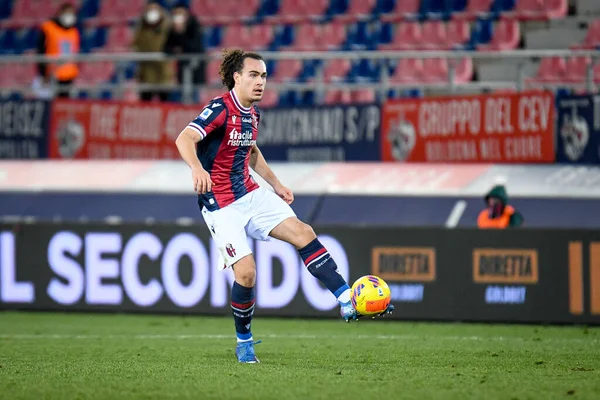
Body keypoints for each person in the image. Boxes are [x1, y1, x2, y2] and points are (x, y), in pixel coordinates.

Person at [175, 49, 394, 364]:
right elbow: (184, 138)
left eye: (264, 76)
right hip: (220, 203)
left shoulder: (253, 113)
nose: (260, 82)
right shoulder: (219, 109)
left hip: (250, 192)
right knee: (247, 274)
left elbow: (251, 153)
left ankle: (347, 299)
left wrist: (275, 184)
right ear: (236, 77)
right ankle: (244, 341)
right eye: (253, 75)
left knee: (303, 232)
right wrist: (197, 169)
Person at [37, 2, 80, 98]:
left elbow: (75, 52)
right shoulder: (48, 28)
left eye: (72, 13)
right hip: (52, 74)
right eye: (67, 13)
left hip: (69, 75)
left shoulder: (74, 31)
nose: (69, 16)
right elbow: (41, 51)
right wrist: (43, 73)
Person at [132, 1, 172, 102]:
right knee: (146, 103)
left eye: (154, 9)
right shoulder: (141, 27)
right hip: (145, 72)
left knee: (165, 103)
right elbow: (136, 44)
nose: (152, 12)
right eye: (149, 9)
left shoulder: (167, 27)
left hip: (163, 72)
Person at [163, 2, 205, 88]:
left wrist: (181, 33)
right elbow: (166, 47)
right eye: (176, 13)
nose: (178, 16)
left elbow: (194, 46)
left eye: (180, 13)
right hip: (182, 68)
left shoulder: (194, 25)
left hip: (195, 67)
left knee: (194, 94)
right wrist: (174, 50)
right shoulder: (173, 28)